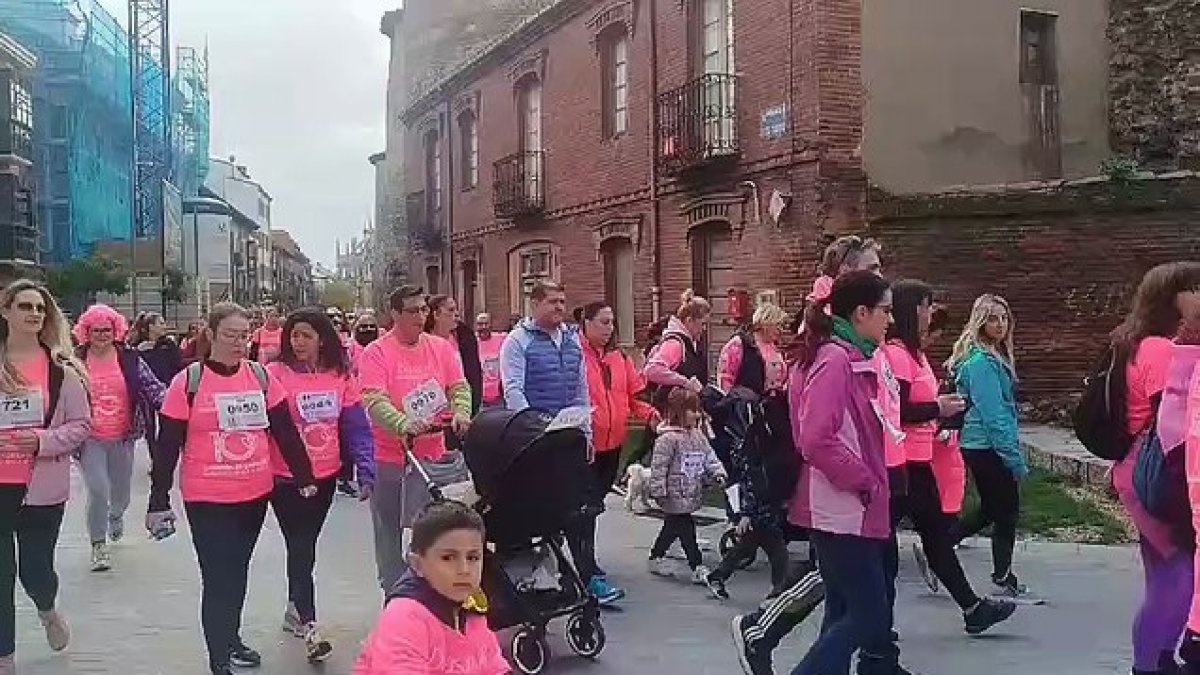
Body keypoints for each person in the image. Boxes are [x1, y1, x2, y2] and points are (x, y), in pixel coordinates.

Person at [147, 302, 319, 675]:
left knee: (237, 572)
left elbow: (285, 431)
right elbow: (166, 446)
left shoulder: (259, 377)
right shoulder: (188, 382)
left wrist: (305, 477)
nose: (240, 343)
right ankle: (219, 660)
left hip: (254, 493)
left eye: (245, 335)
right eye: (230, 335)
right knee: (218, 576)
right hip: (207, 497)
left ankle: (230, 637)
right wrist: (158, 500)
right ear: (211, 334)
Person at [883, 281, 1016, 637]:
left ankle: (972, 608)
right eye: (926, 306)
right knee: (875, 548)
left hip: (919, 459)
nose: (930, 312)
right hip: (901, 463)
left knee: (937, 537)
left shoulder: (916, 354)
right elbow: (896, 410)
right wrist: (936, 407)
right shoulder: (896, 354)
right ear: (911, 311)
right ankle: (866, 621)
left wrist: (945, 412)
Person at [787, 270, 895, 675]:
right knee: (869, 616)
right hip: (841, 508)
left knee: (843, 611)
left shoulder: (845, 356)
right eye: (884, 311)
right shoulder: (835, 360)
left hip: (845, 508)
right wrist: (863, 480)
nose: (890, 320)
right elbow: (816, 439)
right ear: (861, 312)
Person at [1105, 263, 1200, 675]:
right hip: (1154, 469)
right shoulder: (1162, 349)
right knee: (1178, 574)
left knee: (1160, 575)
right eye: (1193, 288)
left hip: (1132, 468)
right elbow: (1173, 421)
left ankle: (1155, 658)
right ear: (1172, 297)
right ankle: (1151, 664)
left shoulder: (1135, 341)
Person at [267, 308, 377, 663]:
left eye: (306, 335)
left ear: (322, 339)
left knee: (305, 544)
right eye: (294, 335)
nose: (298, 342)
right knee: (300, 545)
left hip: (327, 474)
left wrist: (366, 468)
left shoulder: (339, 375)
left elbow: (356, 425)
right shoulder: (274, 374)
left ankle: (293, 605)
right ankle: (310, 621)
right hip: (284, 477)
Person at [0, 280, 90, 673]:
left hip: (41, 487)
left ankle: (47, 608)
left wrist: (42, 441)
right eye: (25, 306)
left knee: (36, 571)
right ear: (5, 311)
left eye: (40, 308)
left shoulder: (60, 370)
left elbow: (82, 424)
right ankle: (5, 657)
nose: (34, 314)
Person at [359, 285, 472, 595]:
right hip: (391, 459)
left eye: (423, 309)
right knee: (390, 534)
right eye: (412, 311)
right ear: (394, 313)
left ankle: (432, 593)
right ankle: (394, 596)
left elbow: (458, 386)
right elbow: (374, 399)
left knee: (432, 532)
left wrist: (461, 412)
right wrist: (403, 424)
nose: (420, 316)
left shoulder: (441, 347)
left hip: (434, 459)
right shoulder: (377, 353)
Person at [354, 501, 508, 675]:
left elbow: (494, 665)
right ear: (417, 564)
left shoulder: (472, 608)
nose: (464, 570)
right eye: (448, 558)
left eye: (472, 558)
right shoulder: (405, 617)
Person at [707, 302, 795, 599]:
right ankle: (779, 590)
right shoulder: (740, 345)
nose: (780, 331)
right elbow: (726, 381)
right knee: (770, 534)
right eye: (777, 325)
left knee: (760, 534)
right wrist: (736, 407)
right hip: (746, 415)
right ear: (765, 323)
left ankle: (722, 574)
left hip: (770, 413)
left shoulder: (775, 349)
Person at [73, 304, 166, 572]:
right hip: (89, 437)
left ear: (116, 331)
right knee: (98, 489)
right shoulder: (75, 359)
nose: (101, 335)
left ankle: (116, 515)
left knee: (121, 494)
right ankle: (98, 545)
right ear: (86, 332)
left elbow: (152, 388)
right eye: (96, 330)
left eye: (107, 330)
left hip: (123, 435)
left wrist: (174, 405)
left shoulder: (129, 358)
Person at [947, 294, 1028, 597]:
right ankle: (1003, 577)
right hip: (985, 445)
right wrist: (1013, 458)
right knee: (1006, 511)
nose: (1000, 324)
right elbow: (994, 415)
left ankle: (940, 547)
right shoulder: (982, 363)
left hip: (983, 444)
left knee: (991, 509)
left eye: (1004, 318)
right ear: (980, 322)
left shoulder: (993, 357)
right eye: (993, 318)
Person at [580, 301, 659, 605]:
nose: (609, 328)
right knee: (583, 510)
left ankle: (584, 559)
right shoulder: (575, 356)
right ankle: (585, 568)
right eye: (603, 322)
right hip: (585, 445)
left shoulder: (619, 358)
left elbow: (633, 398)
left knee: (595, 507)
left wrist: (650, 413)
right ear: (586, 323)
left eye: (612, 322)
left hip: (613, 445)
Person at [647, 387, 727, 584]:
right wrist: (659, 491)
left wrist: (718, 472)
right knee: (685, 528)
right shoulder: (667, 440)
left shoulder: (698, 437)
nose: (697, 414)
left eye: (697, 409)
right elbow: (659, 467)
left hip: (690, 490)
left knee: (672, 527)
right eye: (692, 410)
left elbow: (709, 457)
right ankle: (696, 565)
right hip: (673, 493)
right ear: (678, 412)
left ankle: (656, 556)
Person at [499, 280, 590, 436]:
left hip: (570, 433)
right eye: (553, 302)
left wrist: (586, 432)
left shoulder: (572, 340)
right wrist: (533, 430)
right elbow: (513, 391)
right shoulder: (517, 340)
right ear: (535, 305)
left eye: (562, 302)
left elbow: (581, 390)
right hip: (535, 435)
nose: (559, 307)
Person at [426, 295, 483, 416]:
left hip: (463, 407)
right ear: (436, 314)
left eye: (456, 309)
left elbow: (473, 373)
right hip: (432, 410)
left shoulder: (465, 338)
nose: (457, 315)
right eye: (451, 310)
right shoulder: (422, 342)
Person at [128, 311, 184, 384]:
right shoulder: (139, 349)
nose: (164, 326)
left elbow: (178, 366)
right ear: (151, 326)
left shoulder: (169, 345)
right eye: (161, 323)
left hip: (169, 387)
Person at [475, 312, 506, 408]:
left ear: (491, 324)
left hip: (499, 397)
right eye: (480, 324)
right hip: (479, 397)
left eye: (486, 323)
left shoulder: (502, 339)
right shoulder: (471, 342)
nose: (483, 327)